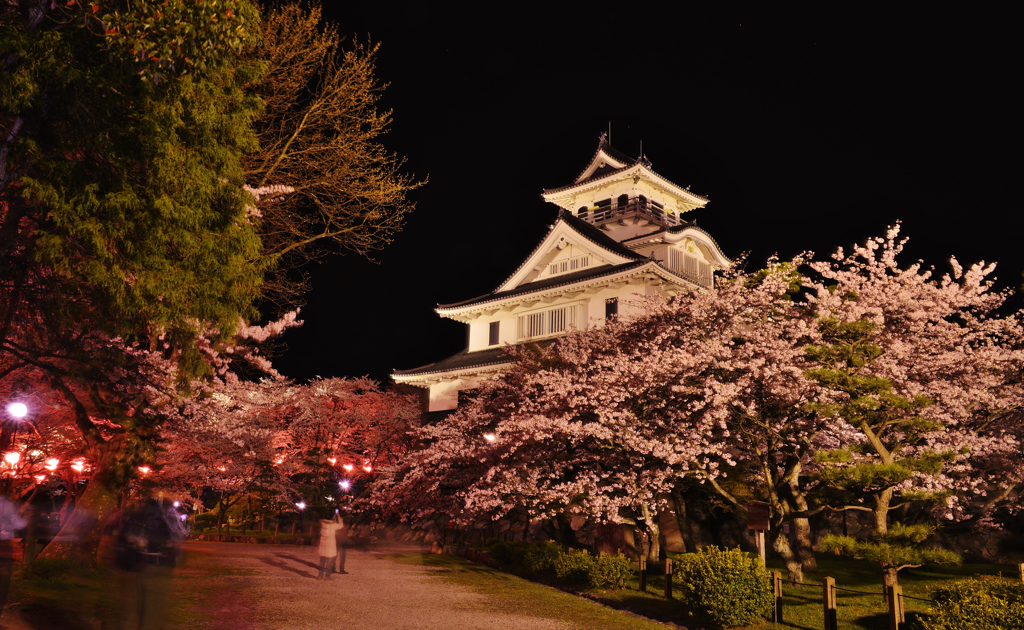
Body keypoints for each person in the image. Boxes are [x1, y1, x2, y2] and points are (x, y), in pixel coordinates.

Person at [316, 512, 343, 580]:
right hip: (330, 545)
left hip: (323, 545)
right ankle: (327, 576)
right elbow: (341, 525)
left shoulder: (322, 524)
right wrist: (339, 517)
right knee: (329, 562)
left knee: (322, 561)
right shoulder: (333, 525)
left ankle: (320, 575)